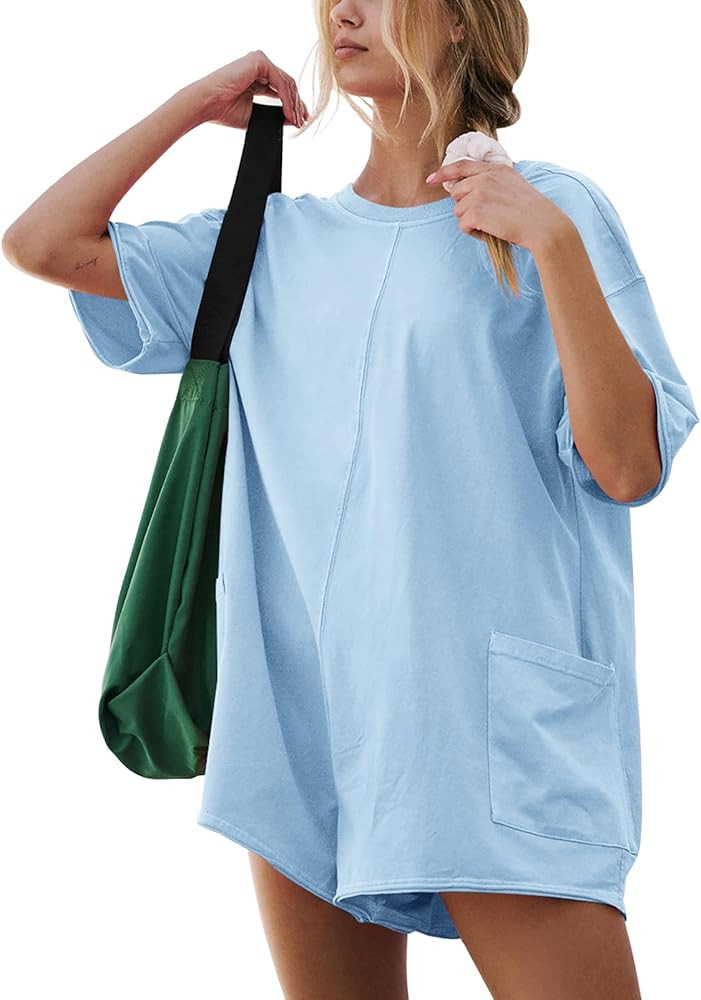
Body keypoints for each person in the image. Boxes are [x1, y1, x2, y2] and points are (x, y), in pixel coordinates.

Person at [3, 2, 697, 997]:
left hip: (484, 721)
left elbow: (628, 466)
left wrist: (549, 243)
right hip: (303, 720)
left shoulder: (550, 212)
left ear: (459, 23)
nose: (345, 10)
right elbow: (41, 243)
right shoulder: (271, 243)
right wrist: (192, 104)